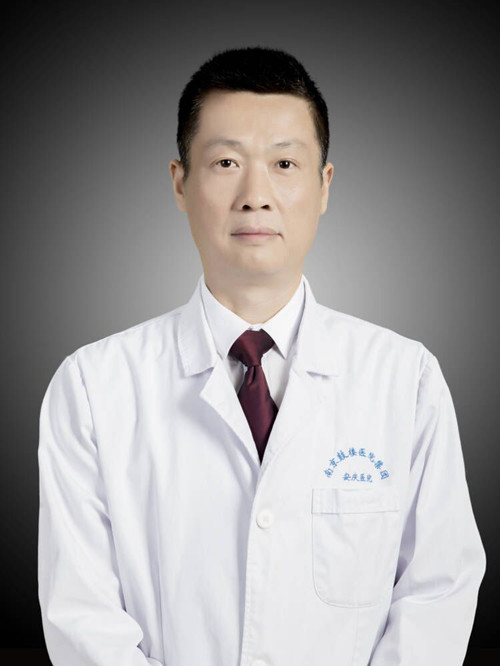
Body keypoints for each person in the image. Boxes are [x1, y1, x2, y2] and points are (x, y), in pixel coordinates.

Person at [37, 46, 486, 666]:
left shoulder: (405, 380)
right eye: (226, 162)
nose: (256, 196)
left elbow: (438, 591)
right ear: (179, 183)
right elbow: (82, 616)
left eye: (284, 163)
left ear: (324, 186)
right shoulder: (93, 387)